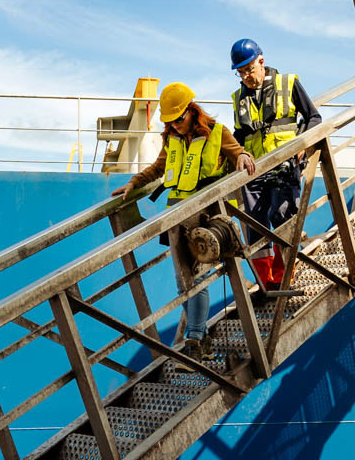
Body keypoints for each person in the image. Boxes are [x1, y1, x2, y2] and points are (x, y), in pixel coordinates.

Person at [113, 81, 256, 358]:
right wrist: (134, 182)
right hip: (178, 217)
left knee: (197, 276)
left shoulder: (217, 132)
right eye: (170, 121)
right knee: (183, 281)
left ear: (192, 111)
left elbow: (239, 153)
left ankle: (196, 337)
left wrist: (243, 158)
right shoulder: (172, 139)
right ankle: (198, 339)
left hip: (208, 215)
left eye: (179, 118)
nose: (176, 124)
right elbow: (158, 168)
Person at [228, 38, 321, 290]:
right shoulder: (238, 98)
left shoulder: (287, 83)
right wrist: (235, 154)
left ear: (261, 61)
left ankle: (284, 275)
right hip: (254, 169)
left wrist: (302, 144)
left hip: (284, 164)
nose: (247, 76)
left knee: (281, 215)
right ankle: (265, 281)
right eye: (241, 72)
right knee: (254, 223)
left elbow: (314, 118)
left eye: (249, 69)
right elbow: (239, 135)